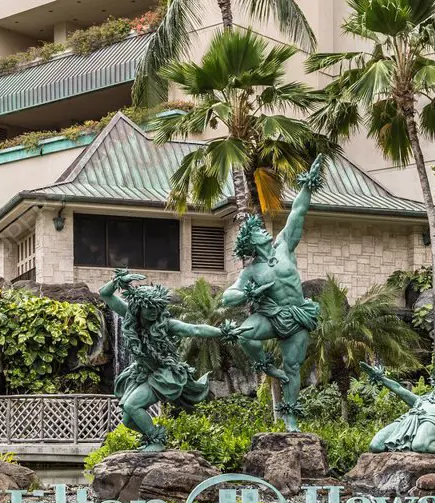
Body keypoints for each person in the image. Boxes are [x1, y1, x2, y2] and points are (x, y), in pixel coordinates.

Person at [221, 154, 324, 431]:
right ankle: (266, 365)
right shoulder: (251, 271)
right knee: (243, 333)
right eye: (257, 232)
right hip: (271, 315)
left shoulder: (284, 246)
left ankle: (290, 418)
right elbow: (227, 297)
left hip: (298, 315)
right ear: (251, 242)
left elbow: (297, 213)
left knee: (293, 368)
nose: (264, 231)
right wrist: (253, 293)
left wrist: (307, 187)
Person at [99, 271, 243, 451]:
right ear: (139, 307)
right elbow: (104, 293)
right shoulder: (130, 316)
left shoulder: (166, 325)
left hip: (163, 373)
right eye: (149, 308)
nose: (153, 312)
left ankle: (157, 442)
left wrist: (223, 332)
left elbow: (195, 329)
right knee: (128, 420)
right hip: (142, 373)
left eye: (156, 308)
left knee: (132, 406)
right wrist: (117, 281)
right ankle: (153, 437)